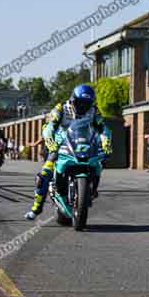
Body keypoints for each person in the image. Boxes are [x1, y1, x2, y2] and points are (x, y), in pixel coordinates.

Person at [25, 85, 111, 220]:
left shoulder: (94, 111)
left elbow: (103, 129)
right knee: (44, 174)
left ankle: (92, 190)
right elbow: (49, 127)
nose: (83, 106)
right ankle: (36, 207)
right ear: (73, 99)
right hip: (60, 145)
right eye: (80, 102)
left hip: (83, 144)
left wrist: (106, 141)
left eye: (87, 103)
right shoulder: (60, 108)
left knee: (100, 161)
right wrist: (49, 140)